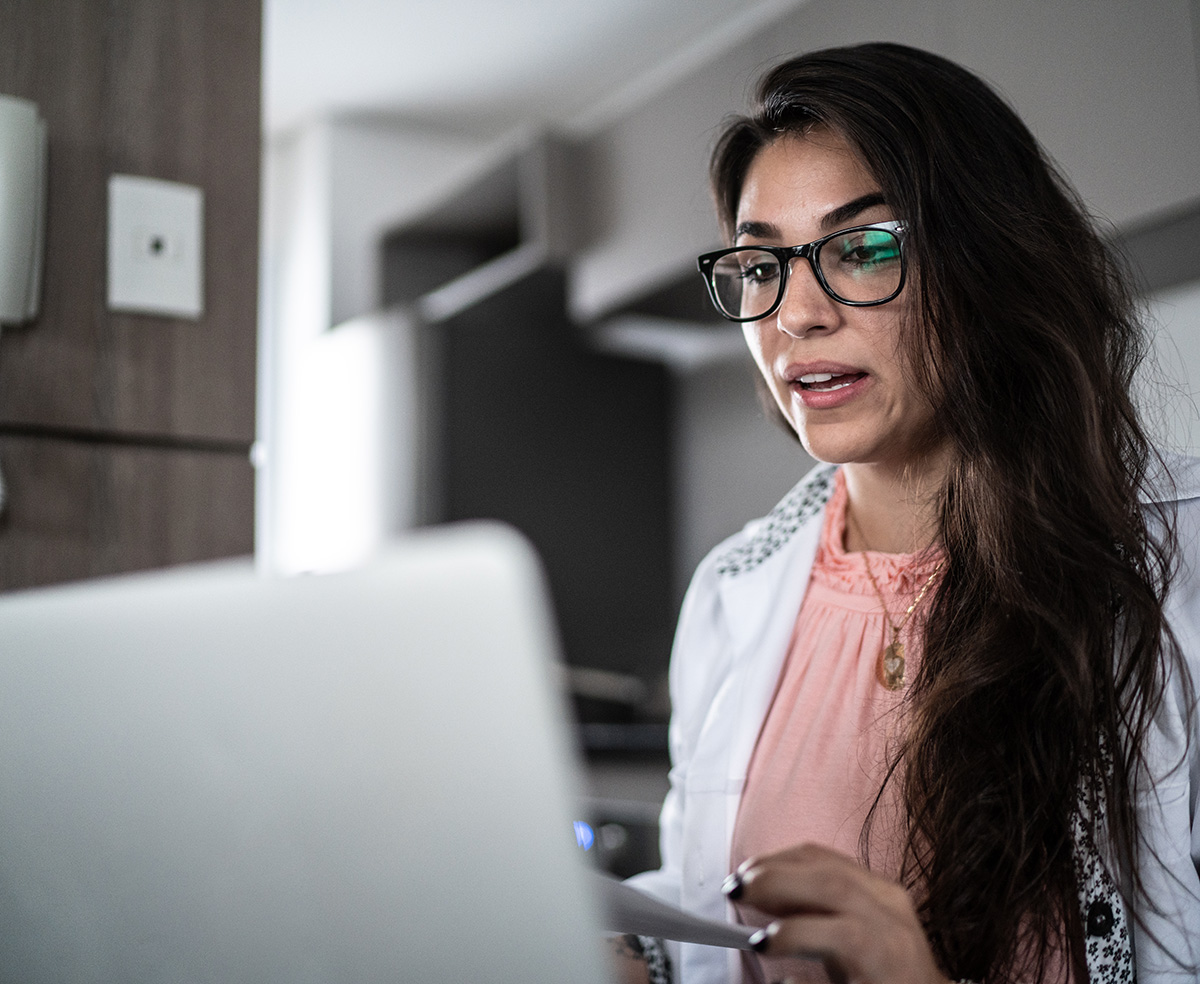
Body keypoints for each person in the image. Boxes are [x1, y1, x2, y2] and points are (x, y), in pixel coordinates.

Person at [610, 42, 1200, 984]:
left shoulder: (1177, 564)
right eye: (760, 264)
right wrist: (637, 958)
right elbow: (706, 904)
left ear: (988, 263)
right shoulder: (732, 590)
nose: (794, 314)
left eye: (864, 246)